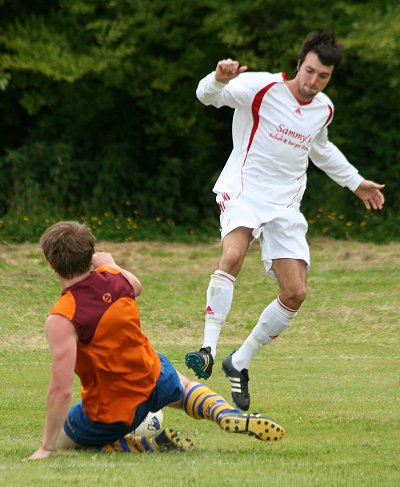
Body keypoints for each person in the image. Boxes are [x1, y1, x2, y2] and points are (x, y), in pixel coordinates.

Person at [185, 31, 385, 411]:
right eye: (309, 71)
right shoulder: (259, 87)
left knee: (295, 293)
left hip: (285, 205)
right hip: (244, 188)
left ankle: (238, 361)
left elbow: (321, 149)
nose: (312, 82)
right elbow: (205, 97)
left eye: (322, 76)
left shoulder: (322, 109)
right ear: (298, 64)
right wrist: (219, 78)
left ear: (330, 77)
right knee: (233, 255)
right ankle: (207, 348)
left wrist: (356, 183)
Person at [28, 221, 284, 460]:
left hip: (114, 410)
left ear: (51, 264)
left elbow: (61, 389)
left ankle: (143, 444)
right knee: (183, 388)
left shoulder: (63, 317)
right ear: (90, 254)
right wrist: (111, 263)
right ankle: (224, 413)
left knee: (65, 439)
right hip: (154, 377)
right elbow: (135, 286)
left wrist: (45, 446)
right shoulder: (115, 278)